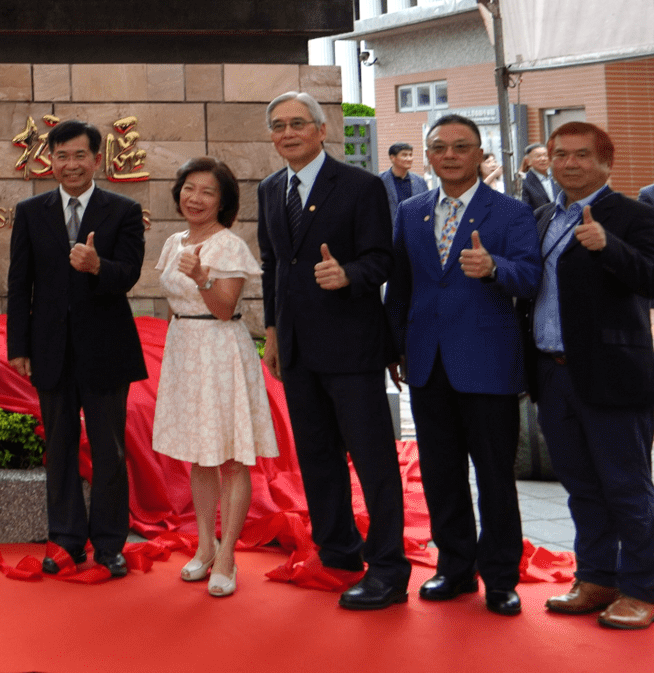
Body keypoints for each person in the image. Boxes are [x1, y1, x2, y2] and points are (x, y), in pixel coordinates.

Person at [383, 114, 541, 615]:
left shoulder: (511, 212)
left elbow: (532, 278)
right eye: (439, 147)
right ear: (428, 155)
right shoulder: (410, 211)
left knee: (495, 476)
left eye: (461, 146)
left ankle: (500, 578)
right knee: (440, 473)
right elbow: (400, 287)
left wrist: (495, 268)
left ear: (479, 154)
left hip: (488, 363)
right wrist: (394, 347)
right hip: (426, 363)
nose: (449, 155)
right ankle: (454, 567)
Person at [257, 91, 408, 609]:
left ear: (322, 130)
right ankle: (338, 550)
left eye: (298, 123)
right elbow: (273, 266)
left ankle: (388, 567)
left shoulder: (361, 186)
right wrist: (273, 333)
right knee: (318, 459)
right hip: (298, 349)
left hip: (352, 348)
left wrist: (349, 274)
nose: (288, 132)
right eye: (278, 125)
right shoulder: (272, 188)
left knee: (373, 461)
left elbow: (382, 259)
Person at [524, 122, 654, 630]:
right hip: (553, 374)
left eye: (581, 155)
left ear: (606, 163)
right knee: (579, 486)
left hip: (613, 374)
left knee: (626, 486)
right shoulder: (541, 218)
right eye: (560, 155)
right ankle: (597, 576)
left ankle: (642, 586)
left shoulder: (634, 215)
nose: (568, 164)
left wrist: (607, 246)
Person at [6, 119, 146, 579]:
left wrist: (96, 265)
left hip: (106, 349)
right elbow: (19, 284)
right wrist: (18, 346)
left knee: (108, 450)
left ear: (97, 160)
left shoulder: (122, 210)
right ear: (50, 160)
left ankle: (109, 544)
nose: (70, 164)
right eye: (61, 155)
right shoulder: (31, 212)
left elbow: (128, 275)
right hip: (50, 349)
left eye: (79, 155)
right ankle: (65, 540)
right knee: (61, 447)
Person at [151, 158, 274, 598]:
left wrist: (204, 278)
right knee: (198, 456)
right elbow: (171, 301)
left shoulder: (228, 246)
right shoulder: (173, 241)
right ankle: (205, 546)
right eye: (189, 188)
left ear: (222, 202)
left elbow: (223, 307)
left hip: (220, 348)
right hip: (185, 349)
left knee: (230, 457)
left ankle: (228, 558)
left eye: (207, 192)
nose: (195, 198)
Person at [383, 141, 429, 224]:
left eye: (410, 155)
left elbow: (427, 208)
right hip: (388, 232)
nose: (409, 159)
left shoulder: (420, 181)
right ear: (392, 158)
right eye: (404, 155)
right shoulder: (380, 181)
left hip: (414, 231)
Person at [521, 142, 557, 212]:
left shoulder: (558, 177)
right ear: (528, 161)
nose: (543, 159)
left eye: (546, 155)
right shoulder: (524, 182)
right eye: (538, 156)